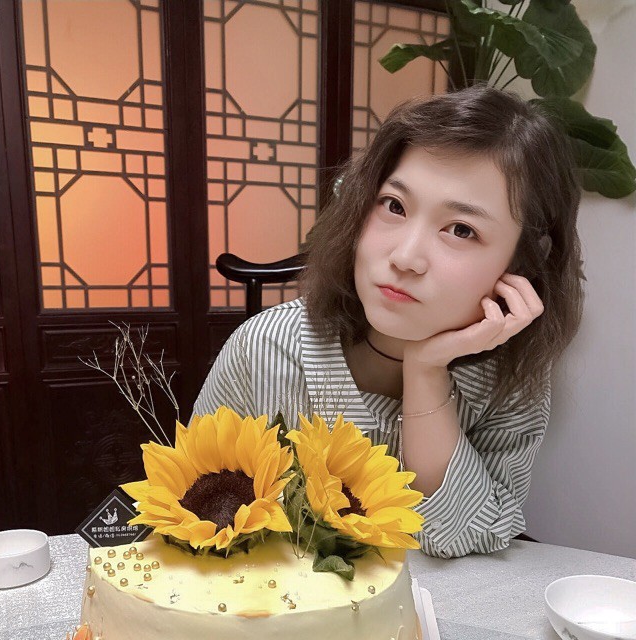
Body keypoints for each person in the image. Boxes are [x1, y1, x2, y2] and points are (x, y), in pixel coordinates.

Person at [193, 84, 584, 558]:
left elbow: (466, 538)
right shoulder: (265, 347)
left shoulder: (510, 381)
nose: (405, 257)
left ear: (522, 261)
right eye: (394, 205)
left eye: (461, 229)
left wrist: (426, 372)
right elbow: (194, 514)